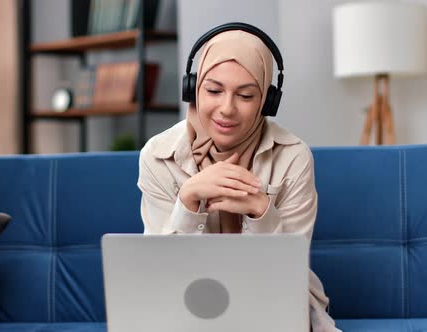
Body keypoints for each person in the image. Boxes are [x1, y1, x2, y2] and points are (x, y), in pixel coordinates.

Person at [137, 22, 340, 332]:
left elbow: (285, 275)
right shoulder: (157, 154)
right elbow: (162, 273)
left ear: (266, 102)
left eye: (245, 96)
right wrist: (188, 201)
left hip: (273, 301)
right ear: (192, 88)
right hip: (185, 302)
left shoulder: (294, 157)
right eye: (214, 90)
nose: (226, 109)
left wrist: (261, 213)